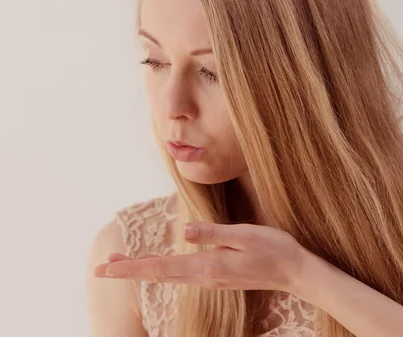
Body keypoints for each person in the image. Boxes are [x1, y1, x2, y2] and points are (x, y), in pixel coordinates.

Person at [85, 0, 403, 336]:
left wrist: (303, 276)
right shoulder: (132, 254)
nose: (172, 106)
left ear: (308, 77)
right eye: (155, 60)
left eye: (212, 72)